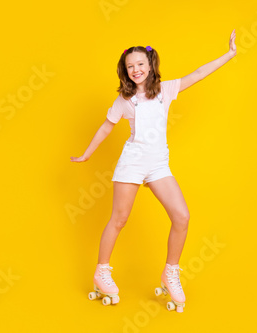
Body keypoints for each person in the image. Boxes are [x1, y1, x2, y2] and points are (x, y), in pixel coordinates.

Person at [71, 29, 237, 312]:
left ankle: (171, 273)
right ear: (125, 71)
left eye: (140, 64)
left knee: (182, 216)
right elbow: (106, 126)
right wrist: (87, 154)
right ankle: (102, 271)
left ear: (150, 66)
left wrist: (229, 54)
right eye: (130, 66)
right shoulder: (124, 100)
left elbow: (197, 74)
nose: (135, 69)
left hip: (159, 163)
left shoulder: (165, 90)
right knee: (119, 220)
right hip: (132, 163)